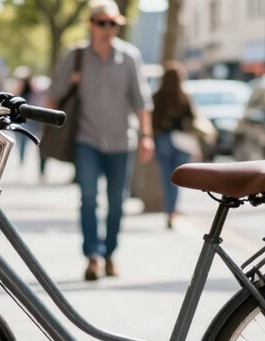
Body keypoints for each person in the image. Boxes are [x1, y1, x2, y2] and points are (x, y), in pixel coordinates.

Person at [49, 0, 153, 281]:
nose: (108, 29)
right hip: (87, 140)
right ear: (91, 25)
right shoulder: (76, 55)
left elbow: (142, 100)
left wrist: (146, 136)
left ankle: (109, 254)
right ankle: (93, 256)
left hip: (122, 142)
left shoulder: (129, 56)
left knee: (117, 202)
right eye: (102, 23)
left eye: (113, 23)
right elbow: (53, 94)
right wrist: (71, 81)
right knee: (88, 198)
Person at [151, 61, 197, 230]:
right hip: (181, 141)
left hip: (163, 139)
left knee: (166, 178)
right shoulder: (183, 96)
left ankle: (169, 210)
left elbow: (152, 118)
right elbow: (192, 118)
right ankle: (172, 211)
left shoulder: (157, 96)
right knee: (178, 179)